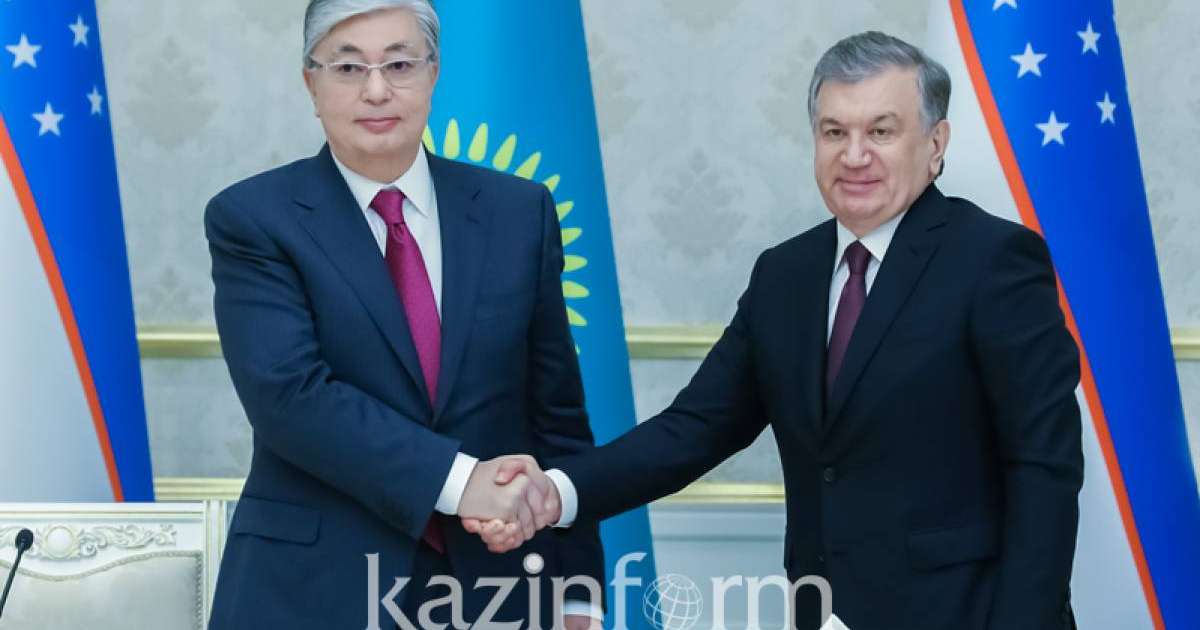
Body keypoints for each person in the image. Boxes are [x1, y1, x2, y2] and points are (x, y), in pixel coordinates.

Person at [467, 31, 1083, 630]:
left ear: (935, 143)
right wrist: (555, 492)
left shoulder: (995, 261)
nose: (855, 155)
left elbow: (1043, 468)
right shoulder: (785, 274)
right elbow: (694, 429)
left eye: (881, 131)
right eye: (834, 132)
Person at [205, 1, 602, 627]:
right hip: (312, 590)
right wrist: (461, 481)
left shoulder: (518, 212)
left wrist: (579, 593)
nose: (376, 91)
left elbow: (557, 418)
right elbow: (290, 397)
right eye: (348, 68)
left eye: (399, 64)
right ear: (310, 83)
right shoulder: (254, 218)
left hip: (498, 587)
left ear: (433, 73)